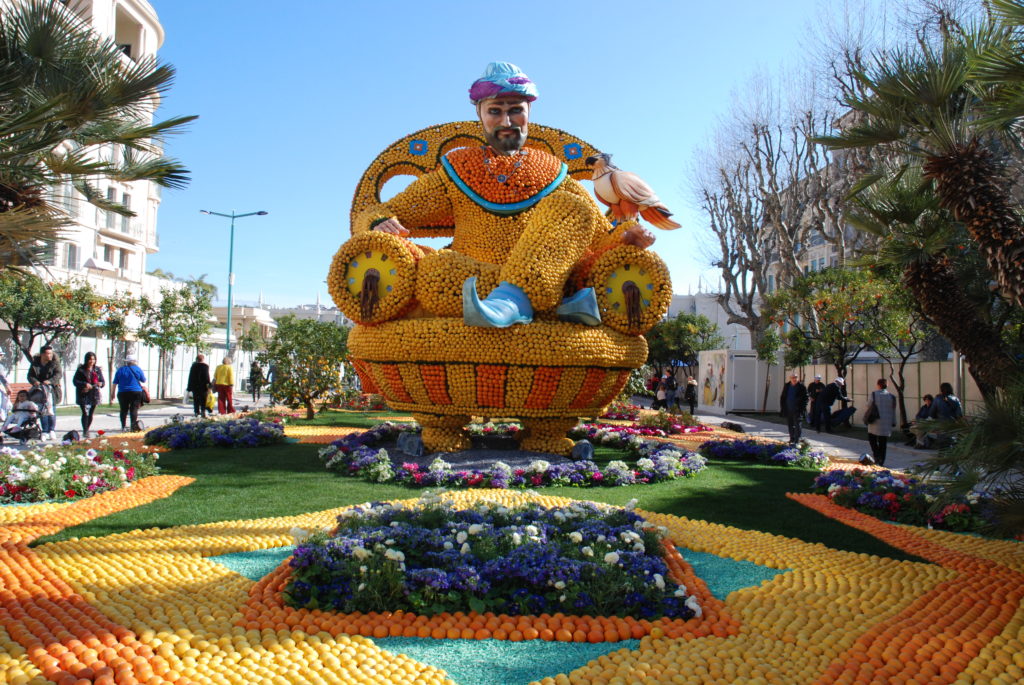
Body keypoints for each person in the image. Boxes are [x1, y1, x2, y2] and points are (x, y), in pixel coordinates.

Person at [358, 61, 654, 329]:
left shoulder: (552, 171)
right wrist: (379, 222)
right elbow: (372, 213)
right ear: (480, 114)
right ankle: (548, 304)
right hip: (476, 277)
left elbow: (600, 235)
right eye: (495, 111)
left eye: (515, 110)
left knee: (571, 205)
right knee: (436, 270)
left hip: (541, 271)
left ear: (529, 113)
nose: (506, 122)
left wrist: (627, 235)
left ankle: (514, 299)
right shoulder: (458, 169)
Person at [28, 345, 61, 440]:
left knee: (51, 410)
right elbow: (30, 376)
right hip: (39, 390)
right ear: (42, 354)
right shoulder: (35, 364)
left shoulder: (55, 363)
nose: (50, 355)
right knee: (42, 410)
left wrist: (50, 381)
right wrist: (35, 382)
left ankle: (52, 430)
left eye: (51, 353)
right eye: (48, 353)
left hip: (52, 390)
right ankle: (45, 430)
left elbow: (58, 374)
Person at [864, 378, 897, 466]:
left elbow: (868, 405)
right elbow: (893, 410)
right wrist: (894, 421)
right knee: (883, 442)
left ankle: (876, 455)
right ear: (887, 385)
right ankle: (881, 460)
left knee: (872, 439)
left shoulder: (874, 394)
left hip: (875, 421)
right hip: (886, 422)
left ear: (878, 385)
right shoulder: (892, 397)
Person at [72, 352, 105, 438]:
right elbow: (75, 381)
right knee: (85, 412)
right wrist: (84, 384)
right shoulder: (81, 370)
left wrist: (100, 384)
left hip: (94, 394)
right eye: (90, 359)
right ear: (86, 360)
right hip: (84, 393)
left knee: (91, 413)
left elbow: (102, 381)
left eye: (93, 359)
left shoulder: (97, 370)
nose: (92, 361)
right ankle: (85, 430)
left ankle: (87, 428)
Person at [111, 354, 146, 432]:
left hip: (122, 392)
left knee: (123, 410)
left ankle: (123, 426)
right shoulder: (137, 369)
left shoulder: (120, 370)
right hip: (136, 392)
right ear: (134, 361)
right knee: (134, 409)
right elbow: (143, 380)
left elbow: (115, 382)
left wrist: (112, 393)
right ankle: (133, 426)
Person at [779, 373, 808, 445]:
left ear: (798, 378)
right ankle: (792, 438)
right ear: (790, 378)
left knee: (798, 424)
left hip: (798, 409)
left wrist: (803, 407)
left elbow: (806, 398)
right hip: (788, 409)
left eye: (795, 377)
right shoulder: (787, 386)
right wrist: (783, 407)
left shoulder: (801, 386)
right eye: (792, 377)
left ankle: (797, 440)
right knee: (790, 424)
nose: (794, 379)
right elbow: (783, 397)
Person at [186, 353, 212, 418]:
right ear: (203, 359)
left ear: (197, 359)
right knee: (203, 399)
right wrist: (209, 384)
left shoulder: (193, 366)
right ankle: (203, 411)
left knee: (196, 399)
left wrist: (189, 387)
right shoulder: (205, 366)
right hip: (203, 386)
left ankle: (196, 412)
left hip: (195, 386)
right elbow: (206, 376)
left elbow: (190, 377)